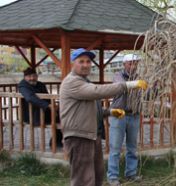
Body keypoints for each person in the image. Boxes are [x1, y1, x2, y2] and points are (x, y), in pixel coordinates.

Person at [60, 48, 147, 186]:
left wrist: (110, 112)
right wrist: (129, 85)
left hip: (91, 135)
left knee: (97, 175)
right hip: (78, 136)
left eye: (88, 61)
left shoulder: (85, 81)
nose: (85, 64)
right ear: (73, 63)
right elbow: (98, 91)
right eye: (81, 61)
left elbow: (94, 108)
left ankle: (129, 173)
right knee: (83, 179)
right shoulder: (72, 81)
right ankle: (113, 176)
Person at [107, 54, 142, 186]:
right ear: (124, 64)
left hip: (134, 115)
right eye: (130, 63)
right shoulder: (118, 76)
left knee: (132, 147)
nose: (133, 66)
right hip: (118, 115)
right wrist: (136, 83)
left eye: (135, 63)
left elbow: (147, 94)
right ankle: (112, 177)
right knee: (115, 148)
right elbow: (121, 86)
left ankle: (131, 173)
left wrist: (155, 88)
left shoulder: (139, 78)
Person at [18, 67, 63, 147]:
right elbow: (30, 98)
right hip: (32, 114)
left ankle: (56, 141)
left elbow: (48, 98)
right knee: (58, 119)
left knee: (63, 117)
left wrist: (54, 107)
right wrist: (48, 105)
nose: (32, 78)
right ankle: (56, 142)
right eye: (29, 76)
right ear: (25, 77)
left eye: (34, 76)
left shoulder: (40, 84)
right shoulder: (23, 85)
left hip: (44, 111)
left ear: (37, 76)